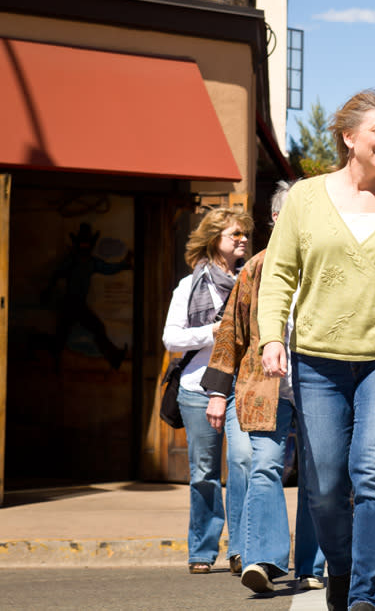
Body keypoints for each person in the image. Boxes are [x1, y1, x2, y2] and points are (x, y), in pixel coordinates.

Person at [257, 89, 375, 611]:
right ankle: (339, 570)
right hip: (318, 356)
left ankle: (368, 594)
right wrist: (273, 335)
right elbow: (278, 273)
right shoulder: (305, 197)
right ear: (349, 137)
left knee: (374, 470)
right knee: (323, 485)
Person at [201, 181, 325, 594]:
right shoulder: (256, 267)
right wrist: (218, 391)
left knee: (318, 475)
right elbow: (230, 332)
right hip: (263, 385)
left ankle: (312, 562)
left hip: (321, 384)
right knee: (265, 466)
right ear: (277, 218)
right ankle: (263, 560)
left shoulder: (328, 266)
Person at [161, 207, 254, 576]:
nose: (243, 239)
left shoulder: (250, 281)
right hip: (197, 388)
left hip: (239, 387)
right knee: (204, 471)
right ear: (215, 239)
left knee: (244, 463)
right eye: (235, 234)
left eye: (244, 233)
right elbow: (171, 338)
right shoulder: (190, 286)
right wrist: (214, 333)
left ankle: (242, 549)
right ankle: (201, 549)